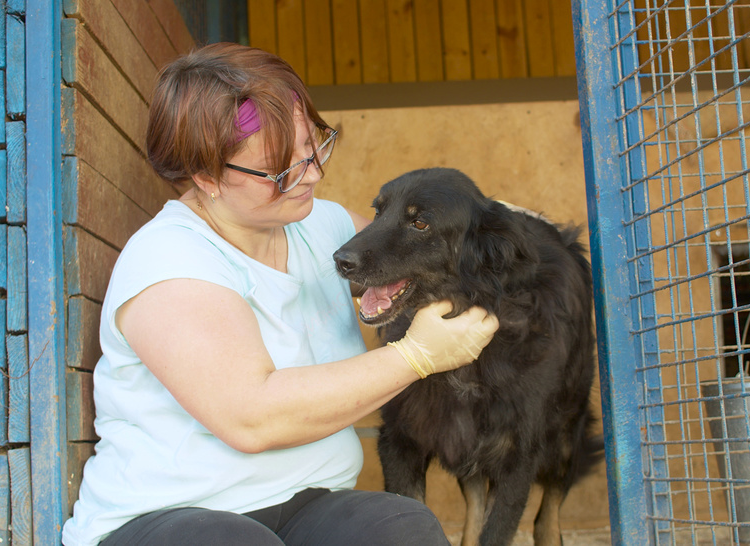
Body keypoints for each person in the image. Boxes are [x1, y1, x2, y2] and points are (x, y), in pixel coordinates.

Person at [61, 42, 499, 546]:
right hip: (170, 518)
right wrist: (416, 356)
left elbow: (423, 258)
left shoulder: (321, 223)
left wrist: (502, 236)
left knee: (402, 528)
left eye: (314, 147)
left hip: (304, 503)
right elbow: (251, 417)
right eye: (281, 169)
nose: (311, 174)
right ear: (206, 177)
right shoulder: (169, 261)